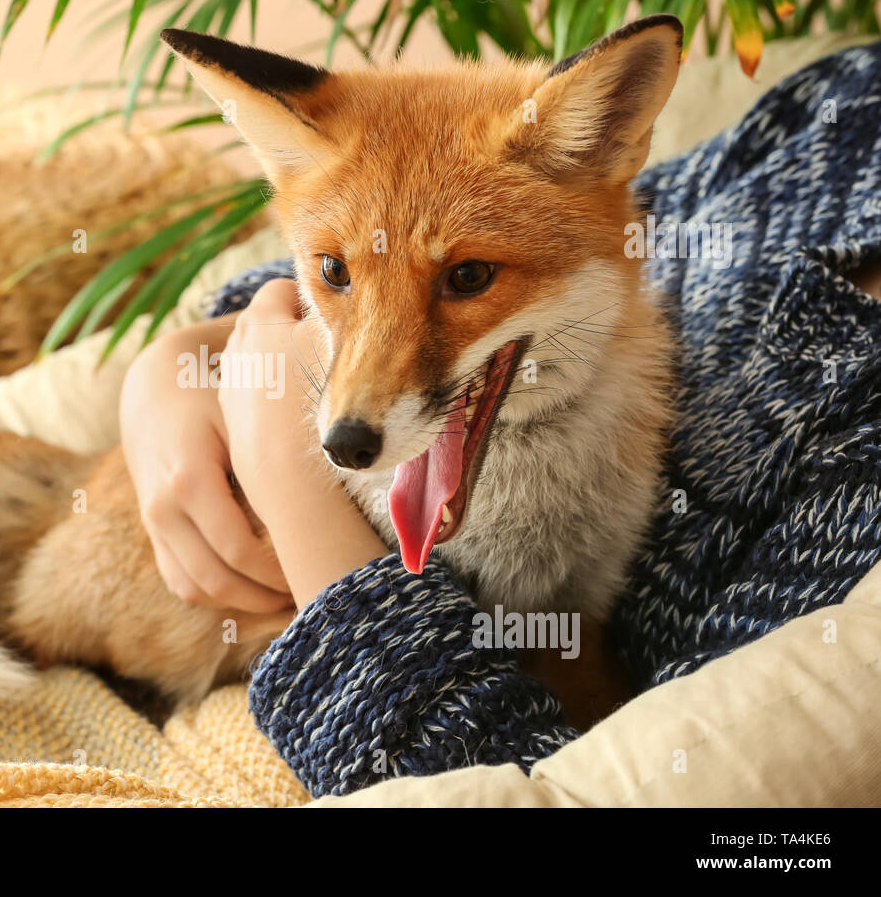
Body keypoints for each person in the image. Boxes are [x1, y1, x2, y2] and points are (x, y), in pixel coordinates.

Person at [119, 43, 881, 798]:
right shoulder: (852, 108)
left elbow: (508, 780)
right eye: (336, 273)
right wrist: (182, 359)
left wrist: (282, 464)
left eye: (468, 277)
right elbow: (361, 239)